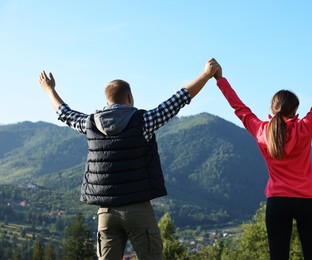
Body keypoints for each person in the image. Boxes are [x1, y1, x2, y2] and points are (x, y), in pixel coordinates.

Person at [38, 58, 220, 260]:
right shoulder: (144, 121)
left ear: (107, 101)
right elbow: (178, 100)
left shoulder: (90, 124)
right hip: (138, 210)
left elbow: (65, 113)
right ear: (129, 98)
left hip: (105, 213)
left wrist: (49, 89)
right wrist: (205, 75)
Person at [213, 38, 312, 259]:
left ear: (271, 111)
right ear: (295, 111)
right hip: (308, 200)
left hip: (277, 203)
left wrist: (220, 79)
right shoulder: (304, 128)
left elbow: (239, 108)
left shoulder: (262, 132)